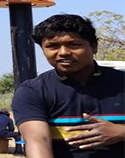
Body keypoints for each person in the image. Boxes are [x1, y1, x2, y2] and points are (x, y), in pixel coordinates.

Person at [12, 14, 125, 158]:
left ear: (94, 46)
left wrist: (121, 132)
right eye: (52, 46)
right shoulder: (32, 91)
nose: (63, 53)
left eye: (74, 45)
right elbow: (38, 142)